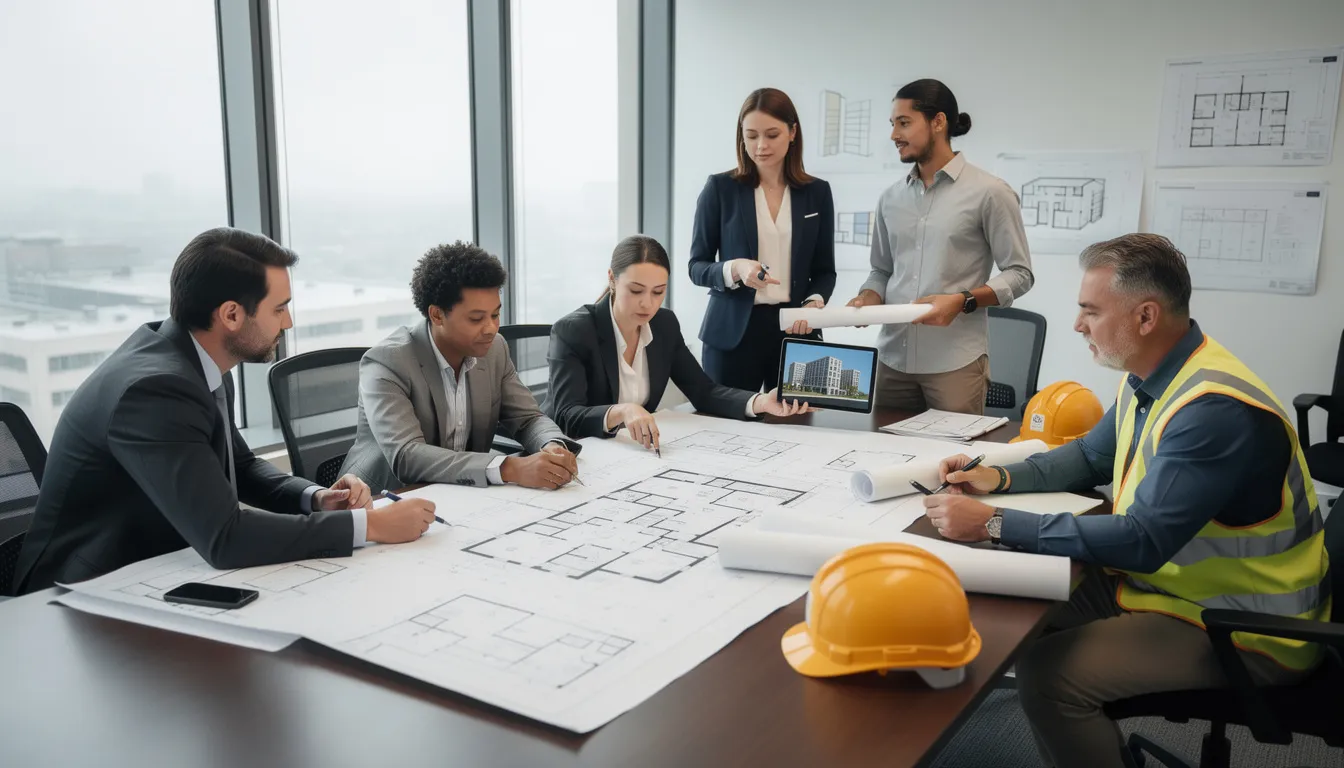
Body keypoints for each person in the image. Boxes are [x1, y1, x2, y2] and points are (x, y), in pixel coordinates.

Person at [921, 234, 1330, 768]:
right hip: (1172, 591)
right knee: (1002, 597)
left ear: (1144, 317)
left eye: (1090, 311)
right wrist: (995, 477)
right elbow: (1089, 457)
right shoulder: (1154, 376)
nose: (1077, 325)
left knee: (1049, 677)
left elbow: (1142, 541)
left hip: (1242, 624)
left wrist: (993, 524)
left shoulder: (1211, 411)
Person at [12, 228, 438, 594]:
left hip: (158, 568)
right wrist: (373, 527)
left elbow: (242, 466)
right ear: (231, 315)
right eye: (278, 308)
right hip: (80, 593)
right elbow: (226, 538)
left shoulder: (197, 360)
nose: (287, 323)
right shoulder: (156, 390)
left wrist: (316, 499)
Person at [847, 78, 1033, 415]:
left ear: (938, 122)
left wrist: (962, 302)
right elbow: (882, 270)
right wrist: (869, 297)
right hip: (892, 361)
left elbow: (1020, 274)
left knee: (949, 467)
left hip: (955, 365)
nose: (894, 135)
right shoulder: (890, 199)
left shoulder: (990, 192)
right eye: (893, 124)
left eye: (904, 123)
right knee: (885, 460)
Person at [339, 241, 581, 493]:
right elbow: (407, 456)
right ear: (437, 315)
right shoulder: (387, 362)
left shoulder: (495, 349)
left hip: (462, 493)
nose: (491, 328)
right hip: (381, 500)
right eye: (476, 318)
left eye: (495, 315)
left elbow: (528, 419)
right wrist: (509, 468)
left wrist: (551, 445)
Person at [546, 235, 814, 449]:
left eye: (658, 292)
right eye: (636, 290)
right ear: (612, 279)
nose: (647, 303)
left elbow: (703, 391)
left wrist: (760, 402)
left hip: (633, 453)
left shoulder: (664, 324)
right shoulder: (573, 330)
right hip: (577, 453)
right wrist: (622, 411)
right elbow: (567, 417)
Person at [688, 86, 836, 392]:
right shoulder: (720, 189)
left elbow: (824, 270)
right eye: (751, 135)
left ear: (792, 132)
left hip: (796, 329)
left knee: (797, 427)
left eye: (771, 135)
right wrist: (735, 268)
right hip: (733, 333)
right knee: (726, 431)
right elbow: (696, 266)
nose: (760, 146)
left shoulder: (817, 193)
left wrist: (812, 304)